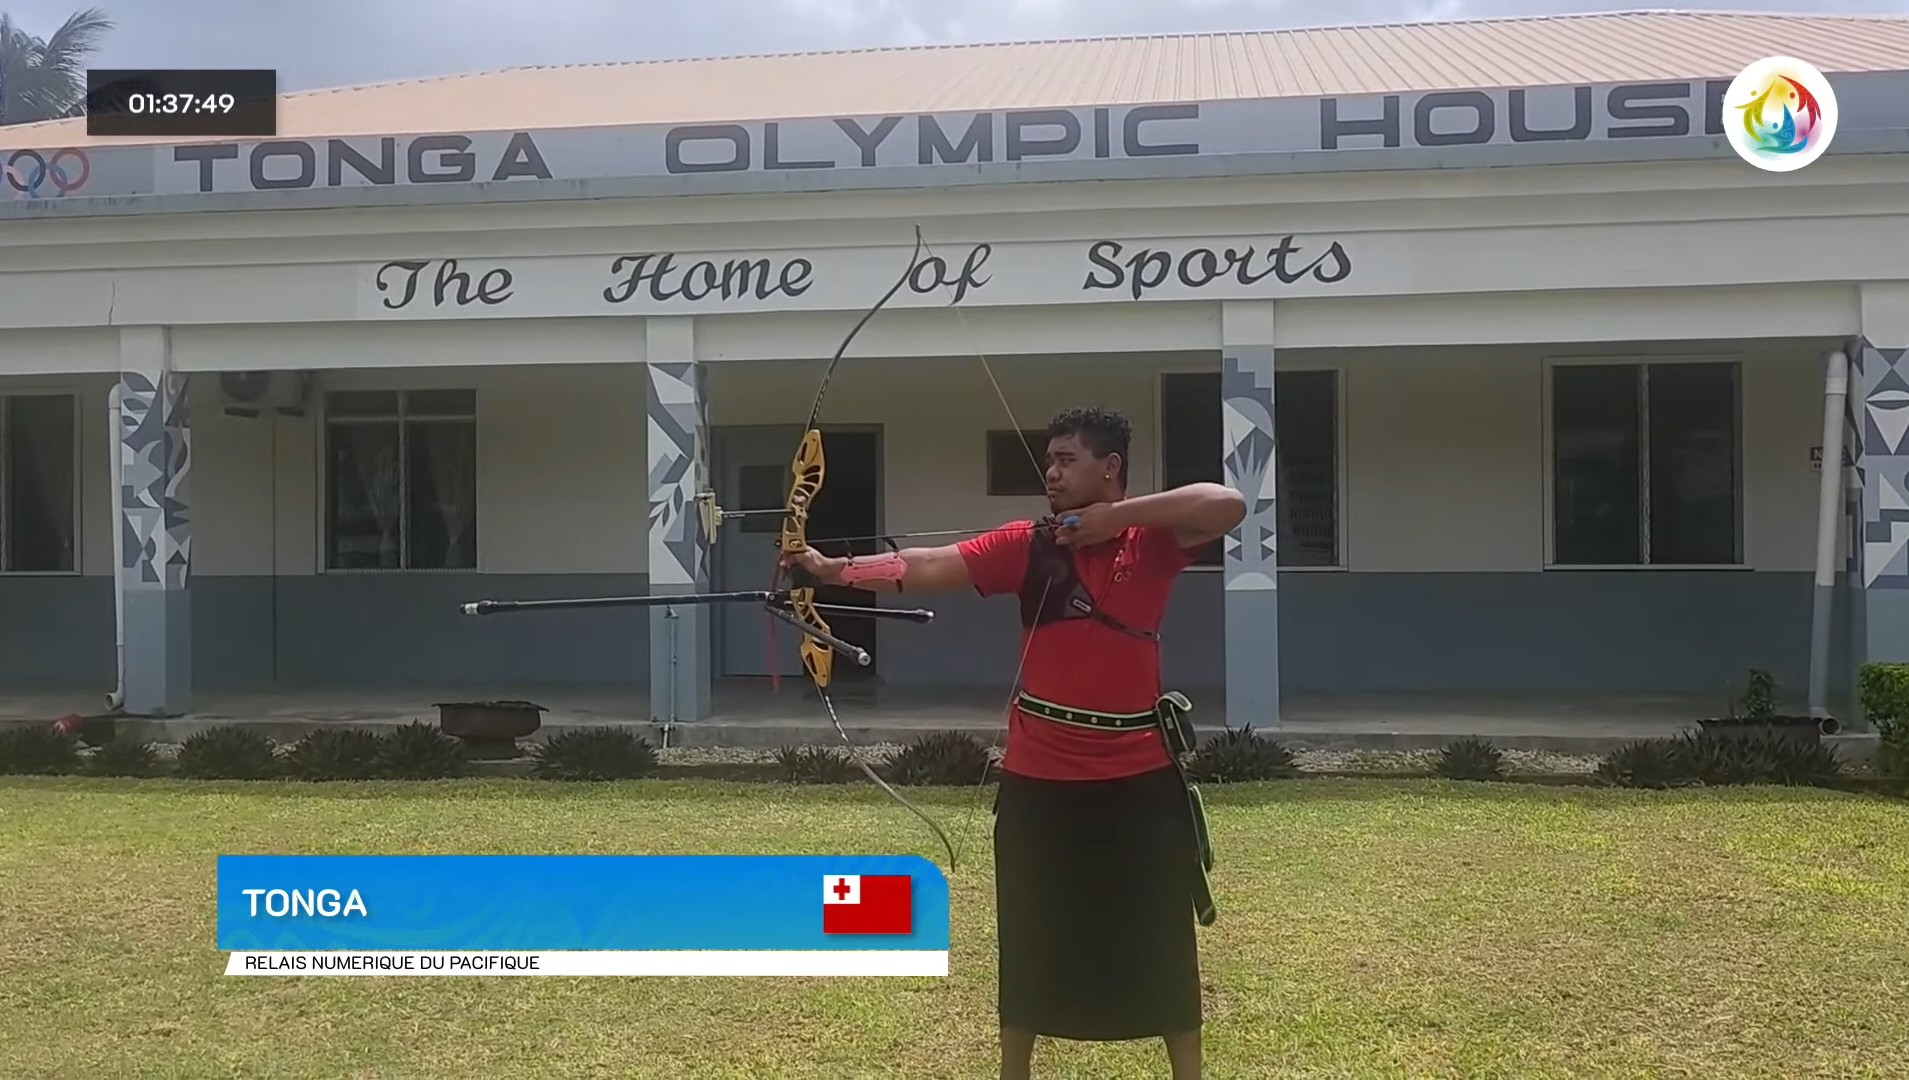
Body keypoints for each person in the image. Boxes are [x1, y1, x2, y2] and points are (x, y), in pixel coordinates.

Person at [781, 406, 1245, 1080]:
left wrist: (1116, 520)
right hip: (1041, 772)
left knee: (1156, 931)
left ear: (1109, 467)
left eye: (1066, 459)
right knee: (1030, 931)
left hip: (1136, 771)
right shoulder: (1029, 543)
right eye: (1048, 460)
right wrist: (829, 570)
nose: (1050, 471)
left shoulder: (1149, 541)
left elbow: (1225, 502)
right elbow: (931, 564)